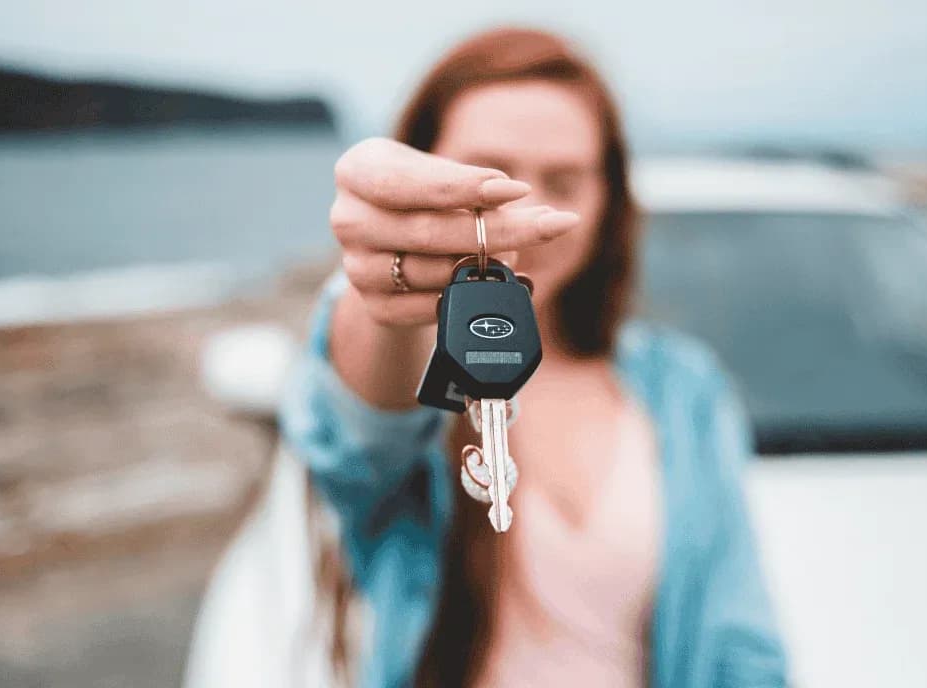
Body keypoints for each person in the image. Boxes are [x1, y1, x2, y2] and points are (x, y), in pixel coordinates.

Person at [185, 26, 786, 688]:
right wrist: (380, 298)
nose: (520, 207)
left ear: (609, 196)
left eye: (564, 178)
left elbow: (741, 645)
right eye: (488, 177)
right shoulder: (415, 363)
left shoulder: (683, 390)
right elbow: (352, 440)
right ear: (422, 176)